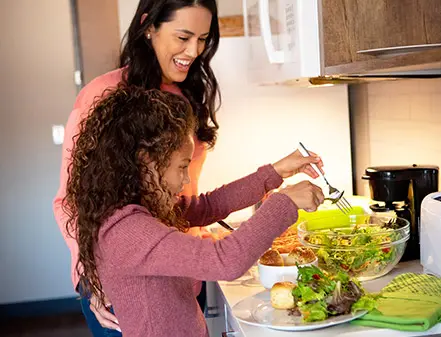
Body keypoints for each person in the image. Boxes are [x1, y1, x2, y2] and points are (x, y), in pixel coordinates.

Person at [63, 86, 325, 337]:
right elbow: (224, 261)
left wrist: (276, 172)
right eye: (181, 167)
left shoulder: (139, 212)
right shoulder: (128, 230)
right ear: (146, 162)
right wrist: (285, 203)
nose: (186, 180)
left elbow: (210, 205)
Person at [53, 0, 221, 334]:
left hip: (182, 276)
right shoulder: (101, 96)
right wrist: (92, 276)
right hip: (120, 287)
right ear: (148, 27)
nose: (194, 51)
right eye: (183, 37)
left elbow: (184, 194)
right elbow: (70, 200)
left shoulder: (186, 95)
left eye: (203, 39)